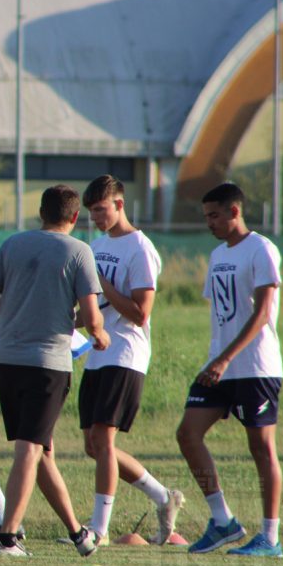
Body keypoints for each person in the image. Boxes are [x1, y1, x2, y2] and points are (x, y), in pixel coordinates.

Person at [0, 184, 109, 557]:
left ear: (40, 212)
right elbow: (92, 316)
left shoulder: (13, 244)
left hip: (7, 359)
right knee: (30, 448)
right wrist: (99, 335)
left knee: (41, 449)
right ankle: (7, 537)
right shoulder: (79, 251)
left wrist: (19, 305)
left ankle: (78, 534)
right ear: (75, 216)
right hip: (47, 363)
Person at [177, 183, 283, 557]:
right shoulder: (218, 254)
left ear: (235, 211)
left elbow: (262, 313)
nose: (209, 223)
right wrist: (216, 359)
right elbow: (223, 313)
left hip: (255, 367)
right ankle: (223, 521)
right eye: (206, 216)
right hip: (219, 367)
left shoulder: (261, 249)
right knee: (188, 434)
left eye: (214, 215)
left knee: (261, 447)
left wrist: (225, 358)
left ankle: (270, 538)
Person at [76, 175, 184, 546]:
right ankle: (163, 496)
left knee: (104, 440)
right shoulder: (97, 245)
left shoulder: (140, 248)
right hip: (97, 353)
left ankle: (99, 529)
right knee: (93, 445)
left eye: (101, 210)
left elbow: (140, 313)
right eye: (91, 212)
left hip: (125, 352)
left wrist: (101, 284)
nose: (96, 218)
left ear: (120, 204)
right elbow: (93, 307)